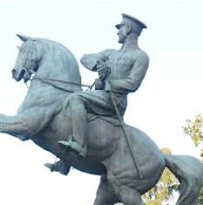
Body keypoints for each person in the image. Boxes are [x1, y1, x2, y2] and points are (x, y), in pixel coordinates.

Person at [55, 14, 150, 163]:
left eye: (120, 28)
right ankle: (66, 162)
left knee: (76, 98)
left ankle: (79, 145)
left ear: (128, 29)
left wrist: (108, 84)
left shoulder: (140, 56)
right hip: (101, 96)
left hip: (115, 100)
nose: (117, 32)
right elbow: (84, 58)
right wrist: (98, 64)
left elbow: (133, 83)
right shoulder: (110, 53)